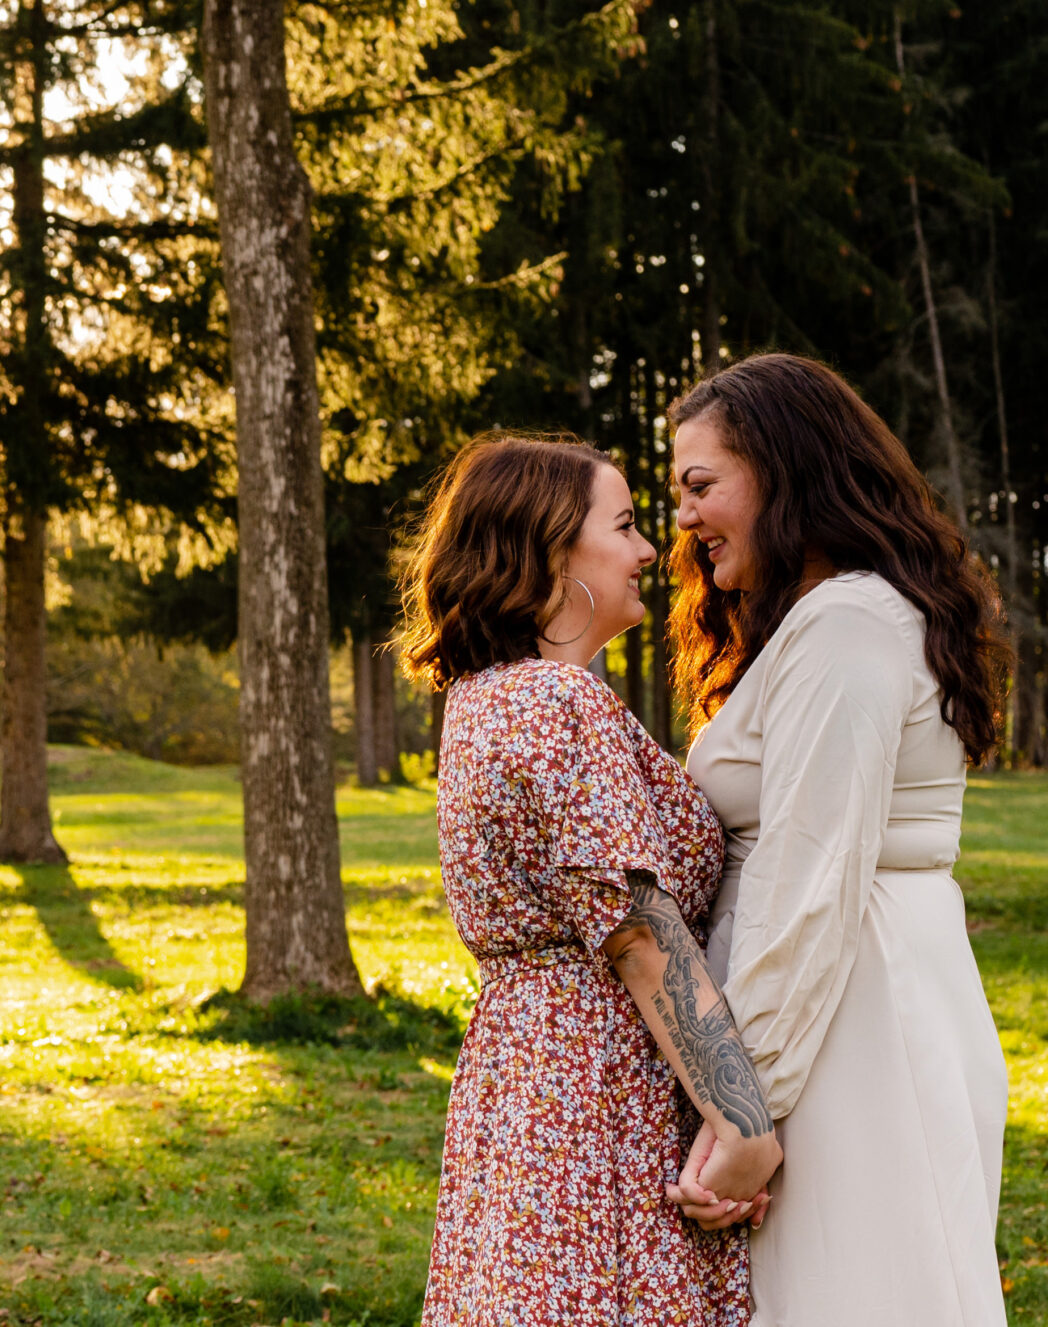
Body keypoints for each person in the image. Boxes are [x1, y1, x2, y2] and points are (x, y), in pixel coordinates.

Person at [668, 353, 1012, 1325]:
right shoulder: (838, 618)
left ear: (780, 470)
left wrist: (743, 1109)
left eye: (701, 485)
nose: (683, 518)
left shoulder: (845, 623)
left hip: (849, 1021)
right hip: (857, 1001)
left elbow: (808, 882)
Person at [404, 434, 777, 1326]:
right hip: (593, 1084)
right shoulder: (557, 701)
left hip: (525, 1073)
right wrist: (744, 1126)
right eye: (625, 525)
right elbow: (639, 933)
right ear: (549, 553)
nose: (651, 549)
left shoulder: (483, 696)